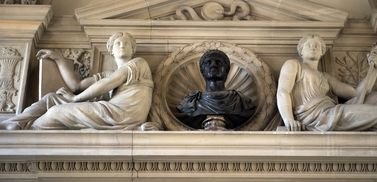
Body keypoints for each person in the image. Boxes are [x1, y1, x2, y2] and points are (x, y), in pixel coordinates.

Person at [0, 32, 153, 130]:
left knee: (55, 113)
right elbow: (77, 85)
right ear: (111, 50)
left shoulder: (139, 63)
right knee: (51, 99)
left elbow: (109, 83)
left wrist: (75, 99)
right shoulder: (109, 73)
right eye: (118, 43)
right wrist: (59, 59)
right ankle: (15, 123)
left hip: (121, 114)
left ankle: (29, 131)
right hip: (110, 111)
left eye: (127, 44)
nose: (123, 46)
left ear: (133, 50)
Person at [277, 34, 377, 132]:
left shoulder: (325, 77)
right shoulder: (294, 65)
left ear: (322, 52)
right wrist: (288, 119)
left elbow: (357, 93)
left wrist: (374, 67)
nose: (314, 47)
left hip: (331, 112)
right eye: (309, 45)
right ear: (301, 50)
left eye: (317, 45)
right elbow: (283, 91)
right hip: (319, 117)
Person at [177, 49, 255, 129]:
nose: (213, 65)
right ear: (202, 71)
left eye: (219, 62)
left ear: (227, 70)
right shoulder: (191, 102)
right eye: (208, 62)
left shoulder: (240, 101)